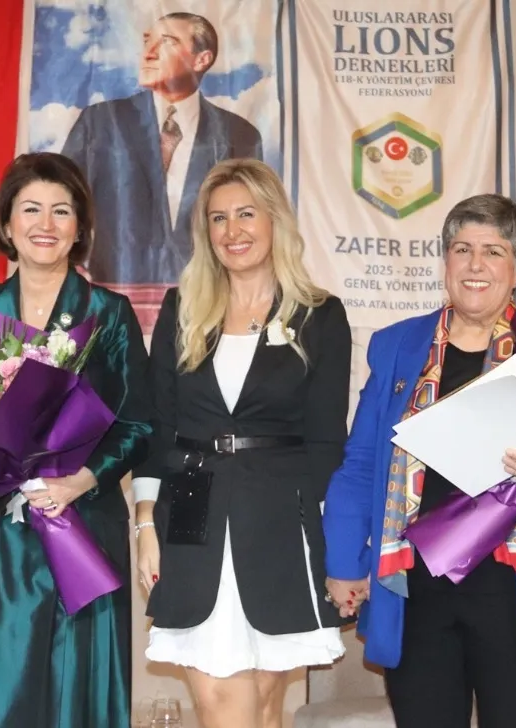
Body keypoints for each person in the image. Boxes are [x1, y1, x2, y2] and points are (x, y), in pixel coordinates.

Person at [322, 194, 516, 728]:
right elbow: (362, 462)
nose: (475, 265)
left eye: (493, 251)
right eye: (462, 249)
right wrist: (345, 562)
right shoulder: (397, 346)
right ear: (446, 261)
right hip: (416, 588)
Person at [0, 152, 152, 728]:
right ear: (7, 224)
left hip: (79, 524)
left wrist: (80, 481)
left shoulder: (108, 313)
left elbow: (139, 422)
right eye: (31, 209)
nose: (45, 224)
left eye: (62, 211)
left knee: (72, 692)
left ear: (79, 228)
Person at [133, 159, 350, 728]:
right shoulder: (183, 309)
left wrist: (332, 542)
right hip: (191, 507)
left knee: (267, 701)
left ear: (275, 219)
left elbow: (328, 439)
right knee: (218, 699)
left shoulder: (320, 315)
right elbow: (160, 427)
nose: (232, 231)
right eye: (218, 218)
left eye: (246, 214)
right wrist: (145, 523)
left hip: (283, 520)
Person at [61, 11, 264, 329]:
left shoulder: (240, 135)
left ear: (202, 59)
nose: (149, 52)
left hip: (205, 316)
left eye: (166, 42)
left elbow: (255, 226)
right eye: (147, 41)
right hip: (109, 317)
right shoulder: (99, 123)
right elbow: (62, 206)